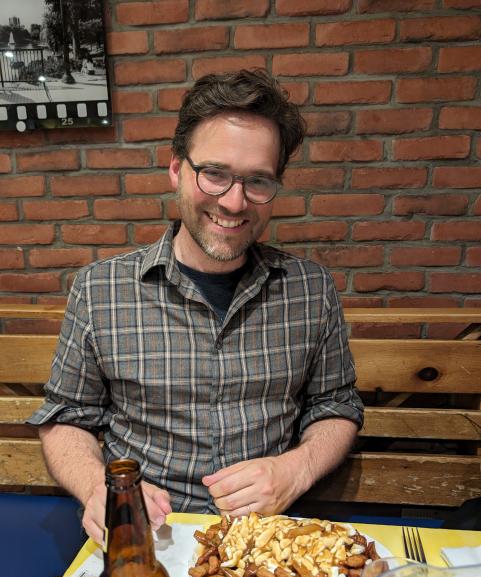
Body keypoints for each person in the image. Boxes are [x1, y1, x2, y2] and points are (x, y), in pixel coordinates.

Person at [29, 69, 363, 545]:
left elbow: (337, 404)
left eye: (258, 181)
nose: (234, 201)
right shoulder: (99, 290)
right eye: (215, 174)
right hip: (147, 537)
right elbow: (67, 418)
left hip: (268, 541)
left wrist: (296, 469)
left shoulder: (310, 289)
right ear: (176, 170)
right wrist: (103, 490)